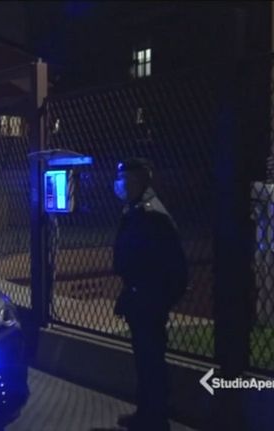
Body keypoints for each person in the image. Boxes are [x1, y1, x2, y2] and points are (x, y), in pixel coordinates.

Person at [111, 157, 188, 431]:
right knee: (145, 360)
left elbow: (171, 266)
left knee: (151, 360)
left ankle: (155, 419)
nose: (120, 185)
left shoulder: (151, 215)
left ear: (139, 181)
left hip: (149, 299)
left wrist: (157, 300)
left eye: (125, 179)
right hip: (141, 296)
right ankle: (146, 414)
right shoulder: (137, 210)